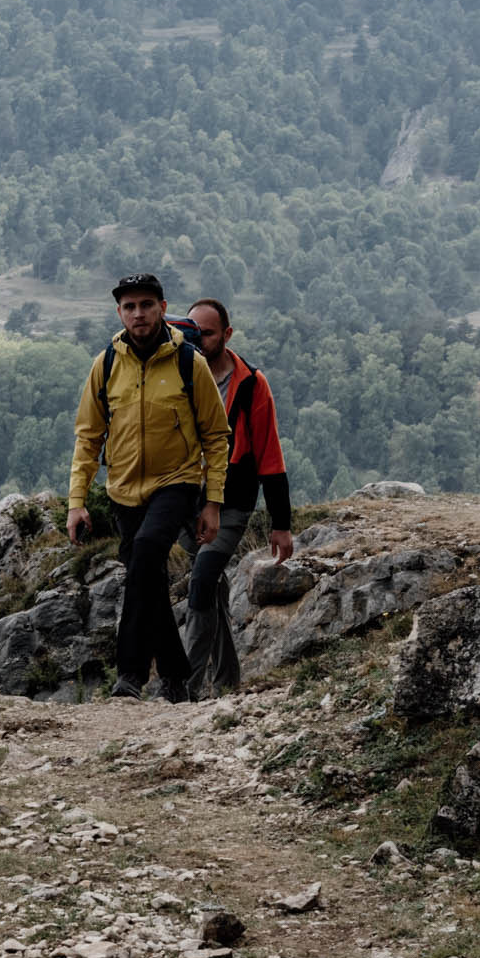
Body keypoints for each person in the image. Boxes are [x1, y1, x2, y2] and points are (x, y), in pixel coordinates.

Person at [67, 273, 230, 702]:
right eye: (129, 306)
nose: (138, 313)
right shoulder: (105, 365)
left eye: (146, 304)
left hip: (176, 483)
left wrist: (212, 502)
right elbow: (88, 437)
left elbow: (216, 436)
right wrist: (77, 502)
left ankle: (130, 675)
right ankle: (177, 679)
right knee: (149, 581)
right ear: (119, 312)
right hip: (122, 491)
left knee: (144, 554)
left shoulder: (187, 363)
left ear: (162, 307)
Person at [177, 297, 294, 698]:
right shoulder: (176, 375)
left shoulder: (250, 385)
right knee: (211, 587)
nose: (199, 340)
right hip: (184, 502)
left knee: (203, 580)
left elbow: (270, 456)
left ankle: (184, 690)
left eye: (207, 333)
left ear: (227, 334)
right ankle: (228, 681)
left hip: (231, 504)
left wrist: (281, 523)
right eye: (192, 332)